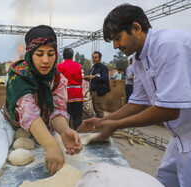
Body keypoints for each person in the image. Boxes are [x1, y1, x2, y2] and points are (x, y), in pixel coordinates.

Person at [77, 4, 191, 187]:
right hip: (180, 136)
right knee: (163, 181)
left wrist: (117, 124)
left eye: (117, 39)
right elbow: (138, 102)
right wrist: (105, 121)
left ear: (136, 28)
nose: (115, 46)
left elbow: (170, 111)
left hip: (187, 133)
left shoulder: (168, 46)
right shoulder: (139, 58)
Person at [3, 25, 82, 176]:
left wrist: (65, 130)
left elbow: (58, 111)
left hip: (43, 129)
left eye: (50, 54)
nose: (46, 60)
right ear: (30, 54)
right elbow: (29, 112)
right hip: (15, 127)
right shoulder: (18, 75)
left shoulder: (58, 79)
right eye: (39, 54)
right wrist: (51, 146)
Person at [57, 48, 83, 130]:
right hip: (78, 94)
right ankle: (79, 135)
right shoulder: (78, 65)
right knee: (78, 116)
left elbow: (58, 81)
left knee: (65, 116)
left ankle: (67, 135)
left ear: (64, 56)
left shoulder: (59, 66)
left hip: (65, 95)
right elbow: (80, 80)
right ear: (72, 56)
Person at [83, 51, 110, 118]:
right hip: (93, 91)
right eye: (93, 57)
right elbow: (93, 78)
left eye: (96, 57)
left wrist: (94, 77)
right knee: (95, 108)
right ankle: (99, 124)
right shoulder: (94, 67)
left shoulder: (103, 67)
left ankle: (102, 126)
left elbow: (105, 78)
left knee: (98, 109)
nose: (94, 59)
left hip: (99, 92)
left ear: (100, 59)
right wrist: (88, 78)